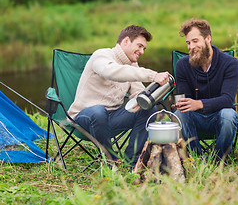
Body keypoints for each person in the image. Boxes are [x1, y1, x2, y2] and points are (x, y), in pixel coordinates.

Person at [68, 25, 170, 166]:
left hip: (112, 119)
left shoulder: (132, 65)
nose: (142, 52)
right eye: (139, 46)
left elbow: (138, 94)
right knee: (98, 111)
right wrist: (152, 75)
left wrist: (155, 96)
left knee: (148, 109)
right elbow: (112, 72)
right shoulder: (101, 55)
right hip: (84, 119)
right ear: (126, 41)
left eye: (144, 49)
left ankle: (131, 163)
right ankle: (111, 162)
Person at [174, 19, 238, 162]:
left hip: (220, 117)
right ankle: (198, 160)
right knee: (180, 114)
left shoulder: (229, 63)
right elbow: (185, 100)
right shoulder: (183, 65)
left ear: (208, 38)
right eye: (188, 43)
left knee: (229, 115)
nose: (191, 46)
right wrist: (181, 103)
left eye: (195, 41)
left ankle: (218, 161)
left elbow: (228, 100)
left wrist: (199, 103)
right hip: (195, 119)